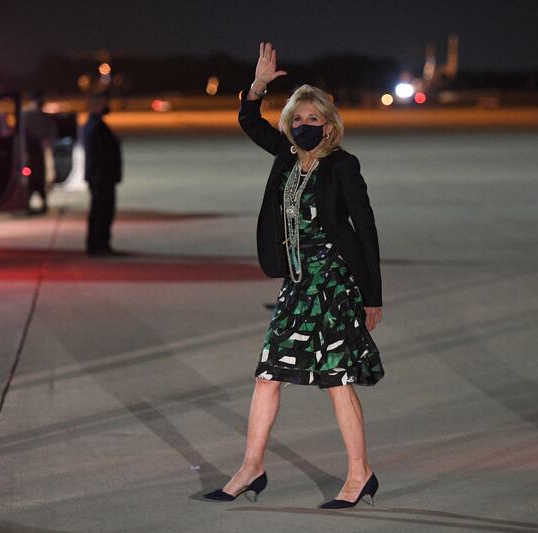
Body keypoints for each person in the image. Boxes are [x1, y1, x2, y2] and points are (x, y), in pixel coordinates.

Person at [203, 43, 384, 508]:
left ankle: (360, 473)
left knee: (336, 379)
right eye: (297, 119)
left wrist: (372, 297)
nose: (304, 127)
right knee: (268, 376)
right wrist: (259, 85)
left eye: (313, 120)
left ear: (329, 124)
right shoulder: (285, 155)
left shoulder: (343, 165)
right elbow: (248, 121)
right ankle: (252, 467)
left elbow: (365, 230)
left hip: (333, 284)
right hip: (298, 285)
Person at [82, 93, 122, 255]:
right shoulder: (97, 126)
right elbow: (104, 154)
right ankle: (100, 244)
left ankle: (96, 243)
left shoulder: (93, 125)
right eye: (104, 103)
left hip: (98, 176)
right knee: (103, 211)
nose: (107, 106)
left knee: (98, 211)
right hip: (101, 176)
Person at [23, 91, 57, 214]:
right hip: (30, 153)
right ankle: (27, 203)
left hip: (40, 153)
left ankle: (41, 203)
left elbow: (51, 133)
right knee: (30, 178)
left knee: (40, 178)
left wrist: (47, 142)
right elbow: (22, 134)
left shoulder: (44, 118)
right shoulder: (26, 116)